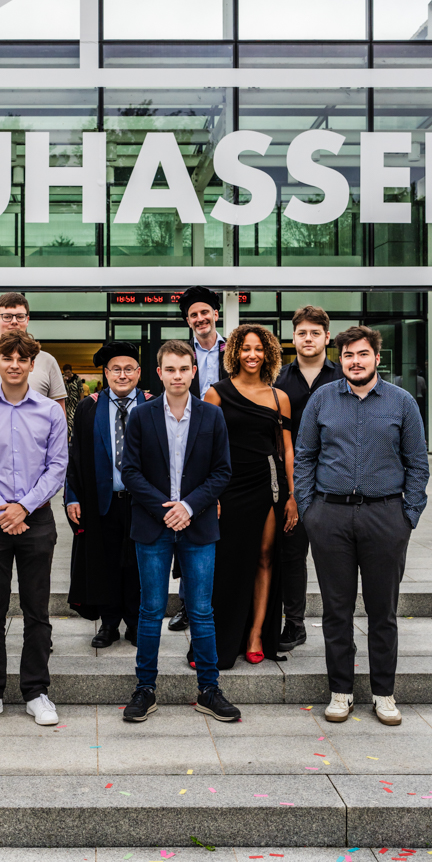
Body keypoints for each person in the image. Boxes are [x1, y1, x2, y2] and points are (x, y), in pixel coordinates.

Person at [294, 325, 430, 727]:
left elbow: (418, 464)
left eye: (363, 354)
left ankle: (384, 694)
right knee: (336, 610)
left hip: (385, 517)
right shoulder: (322, 399)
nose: (356, 361)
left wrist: (408, 516)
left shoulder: (402, 402)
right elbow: (304, 456)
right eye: (349, 355)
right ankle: (341, 691)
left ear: (377, 358)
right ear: (341, 359)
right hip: (330, 517)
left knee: (382, 611)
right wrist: (309, 511)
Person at [120, 339, 240, 724]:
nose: (177, 376)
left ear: (194, 371)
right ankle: (145, 689)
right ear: (159, 373)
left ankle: (209, 689)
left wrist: (187, 507)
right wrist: (166, 509)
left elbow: (222, 471)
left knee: (202, 610)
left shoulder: (212, 416)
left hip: (198, 523)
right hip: (153, 525)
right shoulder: (141, 415)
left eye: (183, 369)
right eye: (170, 369)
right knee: (151, 609)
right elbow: (130, 471)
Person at [0, 330, 68, 727]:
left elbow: (57, 465)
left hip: (35, 518)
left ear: (32, 365)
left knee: (36, 609)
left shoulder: (50, 411)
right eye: (8, 358)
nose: (15, 365)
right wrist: (1, 509)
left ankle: (36, 691)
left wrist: (23, 507)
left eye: (23, 359)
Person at [204, 324, 297, 669]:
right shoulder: (216, 394)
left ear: (268, 353)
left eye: (259, 349)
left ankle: (256, 634)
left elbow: (287, 450)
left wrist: (293, 495)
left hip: (268, 485)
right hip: (228, 486)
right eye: (246, 348)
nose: (252, 355)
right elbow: (206, 448)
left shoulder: (279, 397)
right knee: (227, 562)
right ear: (235, 353)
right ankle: (220, 638)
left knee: (265, 557)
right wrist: (209, 494)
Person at [66, 341, 151, 648]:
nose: (122, 375)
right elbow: (75, 455)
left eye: (128, 369)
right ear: (106, 373)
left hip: (143, 503)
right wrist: (72, 496)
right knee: (106, 563)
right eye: (116, 369)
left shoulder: (153, 405)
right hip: (102, 501)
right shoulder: (89, 407)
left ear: (138, 373)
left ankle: (137, 623)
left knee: (139, 565)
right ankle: (109, 624)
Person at [275, 306, 341, 653]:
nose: (308, 338)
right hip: (293, 484)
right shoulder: (278, 380)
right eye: (302, 333)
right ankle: (295, 624)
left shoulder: (344, 375)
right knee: (291, 556)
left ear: (327, 337)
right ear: (293, 337)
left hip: (336, 483)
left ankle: (338, 625)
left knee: (335, 560)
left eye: (315, 333)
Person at [168, 285, 228, 633]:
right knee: (186, 524)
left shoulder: (232, 351)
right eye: (193, 315)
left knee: (219, 531)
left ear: (215, 314)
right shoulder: (180, 354)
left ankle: (218, 602)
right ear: (188, 321)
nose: (200, 318)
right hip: (187, 447)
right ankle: (188, 605)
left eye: (205, 312)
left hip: (225, 443)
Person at [0, 293, 67, 411]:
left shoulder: (48, 361)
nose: (14, 321)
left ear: (27, 320)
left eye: (20, 316)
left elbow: (59, 413)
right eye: (7, 316)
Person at [63, 363, 84, 440]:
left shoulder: (77, 378)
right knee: (66, 421)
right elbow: (59, 390)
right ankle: (69, 438)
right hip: (66, 404)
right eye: (65, 373)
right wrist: (63, 382)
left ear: (71, 371)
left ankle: (70, 438)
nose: (67, 374)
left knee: (72, 420)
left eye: (68, 372)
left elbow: (81, 391)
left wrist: (81, 403)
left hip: (75, 403)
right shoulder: (62, 378)